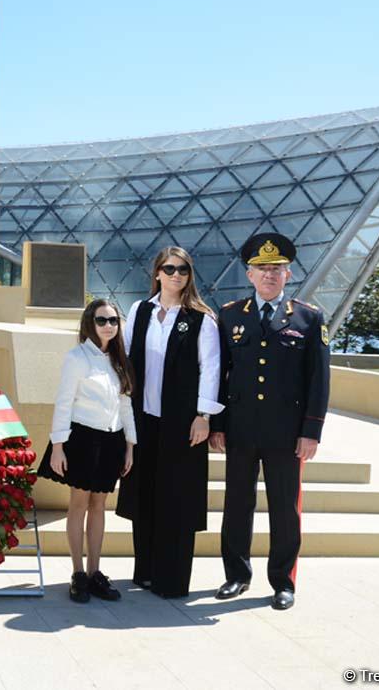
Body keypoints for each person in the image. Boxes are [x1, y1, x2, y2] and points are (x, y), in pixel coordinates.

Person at [209, 232, 330, 610]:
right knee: (237, 505)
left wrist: (311, 431)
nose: (269, 275)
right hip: (241, 430)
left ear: (288, 274)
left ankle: (283, 581)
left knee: (284, 509)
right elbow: (219, 374)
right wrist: (217, 424)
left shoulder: (309, 318)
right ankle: (236, 575)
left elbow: (319, 380)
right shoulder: (229, 316)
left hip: (286, 433)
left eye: (276, 269)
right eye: (262, 268)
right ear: (249, 274)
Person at [115, 246, 221, 598]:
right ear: (157, 273)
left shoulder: (201, 319)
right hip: (144, 420)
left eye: (184, 270)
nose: (177, 275)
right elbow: (126, 361)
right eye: (170, 268)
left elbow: (211, 370)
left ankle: (171, 580)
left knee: (177, 499)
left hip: (182, 423)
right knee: (145, 495)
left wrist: (203, 416)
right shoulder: (139, 311)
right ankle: (144, 571)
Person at [36, 298, 137, 603]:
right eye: (102, 320)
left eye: (113, 320)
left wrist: (130, 445)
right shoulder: (77, 357)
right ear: (89, 324)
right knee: (78, 505)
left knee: (99, 506)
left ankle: (95, 573)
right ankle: (78, 573)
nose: (108, 326)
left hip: (112, 441)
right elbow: (64, 402)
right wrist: (57, 447)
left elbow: (125, 403)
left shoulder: (120, 359)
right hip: (82, 439)